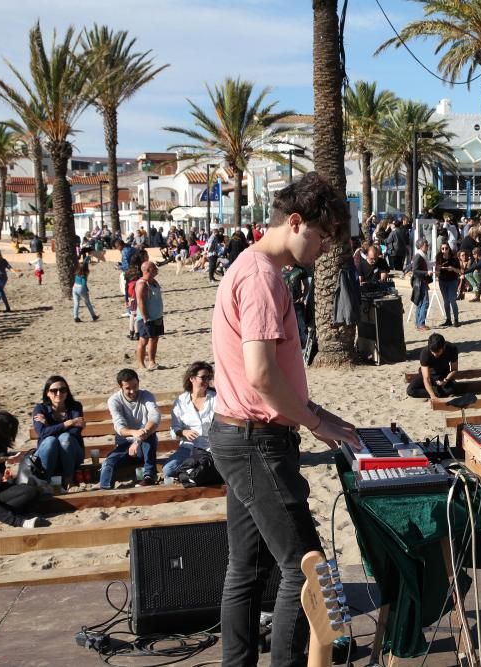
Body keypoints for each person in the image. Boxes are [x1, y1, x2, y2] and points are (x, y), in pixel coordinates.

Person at [209, 173, 360, 667]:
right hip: (256, 440)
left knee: (247, 569)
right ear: (294, 223)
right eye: (319, 237)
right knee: (305, 571)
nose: (321, 249)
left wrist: (321, 414)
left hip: (239, 435)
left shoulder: (251, 267)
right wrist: (316, 422)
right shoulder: (261, 276)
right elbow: (262, 376)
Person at [102, 368, 161, 489]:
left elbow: (155, 417)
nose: (133, 391)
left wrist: (139, 438)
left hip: (145, 440)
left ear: (138, 382)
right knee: (108, 462)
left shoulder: (147, 395)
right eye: (128, 388)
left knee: (149, 434)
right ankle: (105, 488)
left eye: (135, 386)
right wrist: (134, 434)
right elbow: (119, 426)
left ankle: (149, 476)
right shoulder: (114, 400)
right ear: (120, 387)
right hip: (124, 442)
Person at [163, 362, 217, 481]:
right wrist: (183, 432)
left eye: (209, 377)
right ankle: (194, 473)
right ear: (192, 378)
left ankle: (192, 474)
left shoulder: (215, 398)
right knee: (169, 469)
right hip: (189, 447)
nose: (207, 381)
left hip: (211, 447)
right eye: (203, 377)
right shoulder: (181, 401)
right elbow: (174, 429)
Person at [32, 376, 85, 489]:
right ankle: (46, 481)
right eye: (53, 390)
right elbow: (42, 433)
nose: (58, 393)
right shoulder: (40, 409)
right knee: (51, 441)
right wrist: (67, 423)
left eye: (63, 390)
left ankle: (68, 479)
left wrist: (48, 426)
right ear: (47, 393)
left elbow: (75, 432)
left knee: (65, 438)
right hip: (47, 454)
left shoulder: (75, 407)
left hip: (72, 453)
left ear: (67, 392)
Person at [405, 333, 464, 399]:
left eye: (438, 352)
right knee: (410, 390)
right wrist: (432, 396)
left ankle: (434, 389)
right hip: (429, 374)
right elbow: (426, 378)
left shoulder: (452, 349)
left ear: (443, 347)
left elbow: (454, 369)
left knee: (452, 389)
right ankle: (434, 390)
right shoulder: (425, 353)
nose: (435, 354)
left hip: (443, 374)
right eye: (433, 352)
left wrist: (446, 380)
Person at [135, 261, 165, 371]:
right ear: (148, 270)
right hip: (146, 318)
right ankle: (141, 364)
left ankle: (152, 362)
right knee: (143, 341)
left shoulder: (154, 282)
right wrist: (145, 318)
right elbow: (140, 301)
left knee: (154, 339)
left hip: (157, 316)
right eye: (154, 268)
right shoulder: (142, 284)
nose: (156, 269)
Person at [436, 243, 461, 326]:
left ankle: (456, 320)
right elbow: (437, 271)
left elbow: (459, 271)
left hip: (452, 281)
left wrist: (453, 269)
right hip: (442, 281)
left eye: (446, 248)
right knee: (446, 301)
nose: (444, 250)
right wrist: (438, 269)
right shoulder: (439, 257)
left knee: (452, 300)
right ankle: (448, 319)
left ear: (449, 249)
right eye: (442, 248)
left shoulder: (454, 258)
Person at [410, 237, 432, 331]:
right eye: (426, 245)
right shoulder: (418, 256)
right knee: (424, 302)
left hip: (421, 281)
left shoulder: (421, 255)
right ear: (421, 246)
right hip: (420, 281)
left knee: (420, 302)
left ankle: (418, 323)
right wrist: (426, 273)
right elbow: (415, 271)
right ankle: (421, 323)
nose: (428, 247)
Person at [0, 248, 20, 313]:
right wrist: (16, 274)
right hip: (4, 277)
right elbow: (10, 268)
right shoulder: (3, 260)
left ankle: (7, 307)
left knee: (0, 292)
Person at [72, 257, 99, 323]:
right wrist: (86, 290)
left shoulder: (77, 273)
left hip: (74, 287)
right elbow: (84, 284)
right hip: (81, 288)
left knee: (76, 303)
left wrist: (87, 257)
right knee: (88, 303)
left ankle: (76, 317)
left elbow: (84, 262)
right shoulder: (84, 274)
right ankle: (93, 316)